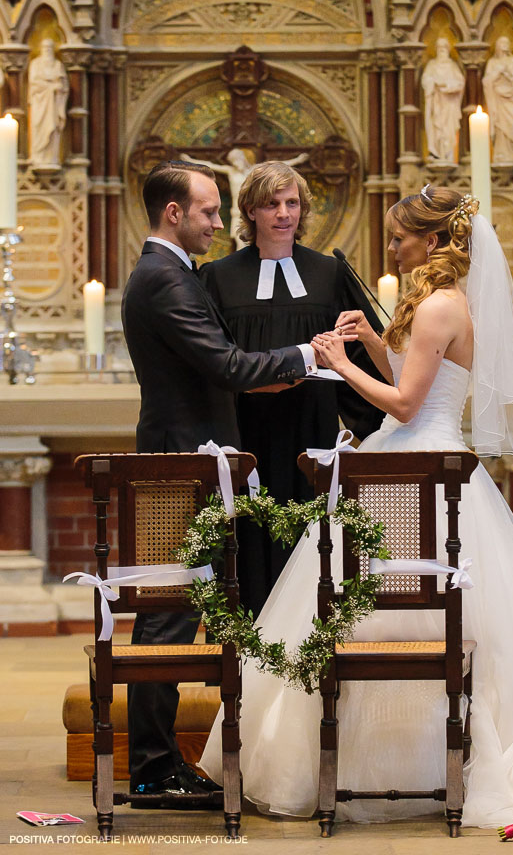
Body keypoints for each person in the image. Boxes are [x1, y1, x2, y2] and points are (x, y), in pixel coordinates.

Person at [199, 186, 513, 829]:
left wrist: (337, 360)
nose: (392, 247)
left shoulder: (442, 306)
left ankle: (386, 765)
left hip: (415, 461)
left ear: (436, 241)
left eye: (400, 237)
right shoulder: (440, 303)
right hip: (413, 460)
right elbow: (410, 371)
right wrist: (367, 337)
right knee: (371, 611)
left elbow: (405, 403)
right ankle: (402, 763)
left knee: (371, 609)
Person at [121, 158, 319, 800]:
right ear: (174, 213)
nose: (217, 223)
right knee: (170, 612)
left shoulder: (170, 272)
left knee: (180, 607)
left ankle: (162, 762)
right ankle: (153, 768)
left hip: (191, 458)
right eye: (209, 211)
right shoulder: (165, 278)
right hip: (184, 463)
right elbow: (226, 364)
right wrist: (308, 355)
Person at [200, 160, 384, 615]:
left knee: (311, 537)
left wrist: (372, 424)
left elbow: (360, 354)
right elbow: (209, 359)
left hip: (312, 427)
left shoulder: (329, 272)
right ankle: (247, 657)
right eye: (271, 204)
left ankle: (308, 643)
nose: (283, 214)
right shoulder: (218, 277)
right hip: (245, 430)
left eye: (292, 203)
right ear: (250, 212)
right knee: (245, 538)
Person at [180, 148, 307, 250]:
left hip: (252, 210)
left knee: (249, 239)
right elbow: (210, 166)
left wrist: (298, 160)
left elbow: (279, 165)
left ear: (242, 159)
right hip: (236, 212)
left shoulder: (254, 170)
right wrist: (189, 160)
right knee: (238, 239)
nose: (235, 164)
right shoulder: (230, 171)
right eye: (233, 161)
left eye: (236, 160)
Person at [421, 37, 465, 162]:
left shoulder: (452, 66)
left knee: (449, 130)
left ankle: (448, 155)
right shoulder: (431, 65)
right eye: (439, 48)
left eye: (444, 47)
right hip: (437, 103)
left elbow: (460, 82)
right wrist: (433, 83)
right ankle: (437, 153)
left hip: (449, 103)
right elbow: (426, 80)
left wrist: (447, 86)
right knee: (437, 128)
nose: (441, 50)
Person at [482, 35, 513, 164]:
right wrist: (496, 74)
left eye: (506, 43)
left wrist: (508, 79)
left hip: (511, 100)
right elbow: (486, 82)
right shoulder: (492, 63)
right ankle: (500, 153)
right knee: (499, 126)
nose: (503, 45)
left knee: (511, 126)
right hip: (497, 100)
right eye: (501, 43)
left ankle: (512, 152)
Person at [28, 38, 68, 167]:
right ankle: (38, 156)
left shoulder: (58, 65)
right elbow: (33, 83)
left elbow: (63, 85)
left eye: (50, 48)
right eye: (45, 48)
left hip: (53, 103)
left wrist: (58, 88)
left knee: (53, 129)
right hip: (39, 103)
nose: (47, 50)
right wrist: (50, 87)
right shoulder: (35, 64)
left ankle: (52, 157)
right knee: (38, 128)